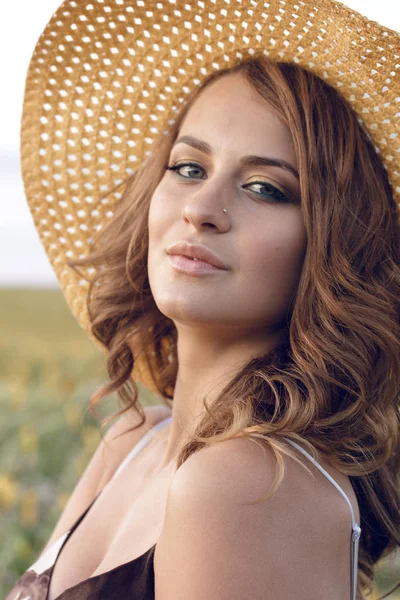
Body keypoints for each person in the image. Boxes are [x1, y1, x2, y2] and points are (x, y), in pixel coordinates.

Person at [7, 0, 400, 599]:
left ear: (335, 245)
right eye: (188, 168)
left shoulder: (246, 483)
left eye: (265, 188)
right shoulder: (134, 443)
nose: (201, 209)